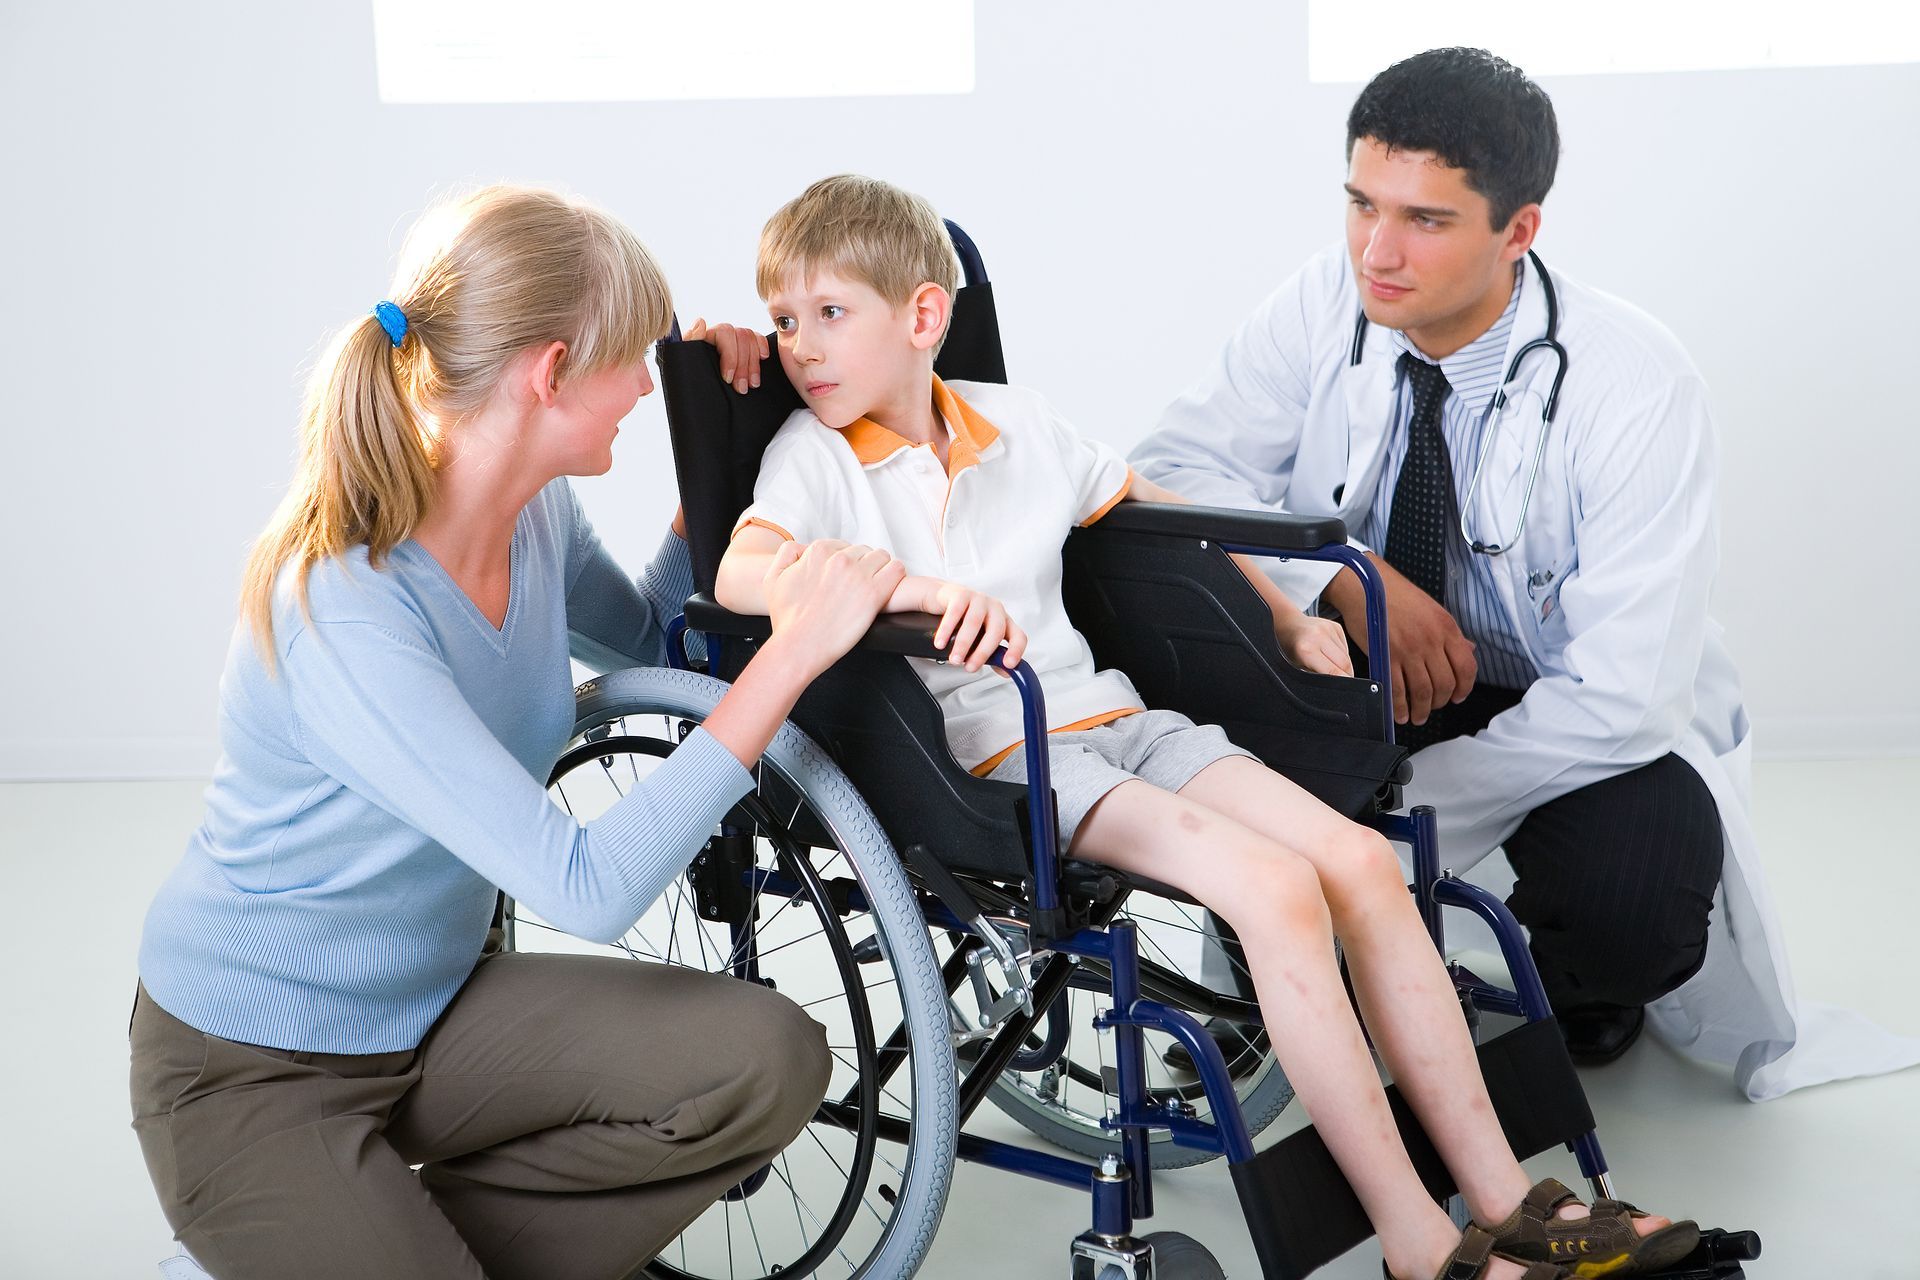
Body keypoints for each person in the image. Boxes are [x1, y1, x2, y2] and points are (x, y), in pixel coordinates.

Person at [717, 173, 1699, 1280]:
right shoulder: (814, 455)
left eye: (829, 313)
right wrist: (890, 586)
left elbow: (1156, 508)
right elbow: (742, 570)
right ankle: (1420, 1246)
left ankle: (1507, 1198)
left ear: (923, 316)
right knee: (1276, 893)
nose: (801, 347)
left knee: (1359, 864)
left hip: (1124, 721)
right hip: (1006, 760)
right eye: (784, 320)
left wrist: (1283, 612)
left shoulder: (1016, 422)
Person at [130, 184, 907, 1280]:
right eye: (635, 360)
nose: (646, 383)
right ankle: (266, 1235)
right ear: (550, 372)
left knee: (764, 1060)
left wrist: (719, 441)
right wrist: (792, 653)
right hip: (254, 1065)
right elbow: (586, 888)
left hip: (438, 1010)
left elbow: (655, 642)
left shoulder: (534, 516)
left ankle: (350, 1235)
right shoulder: (346, 611)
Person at [1130, 47, 1920, 1096]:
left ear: (1519, 230)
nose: (1377, 250)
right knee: (1219, 667)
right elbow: (1175, 472)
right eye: (1362, 204)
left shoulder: (1634, 385)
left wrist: (1401, 824)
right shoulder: (1325, 300)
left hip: (1567, 700)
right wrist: (1345, 575)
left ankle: (1573, 991)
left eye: (1426, 219)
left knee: (1633, 903)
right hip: (1379, 669)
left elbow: (1625, 693)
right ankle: (1290, 973)